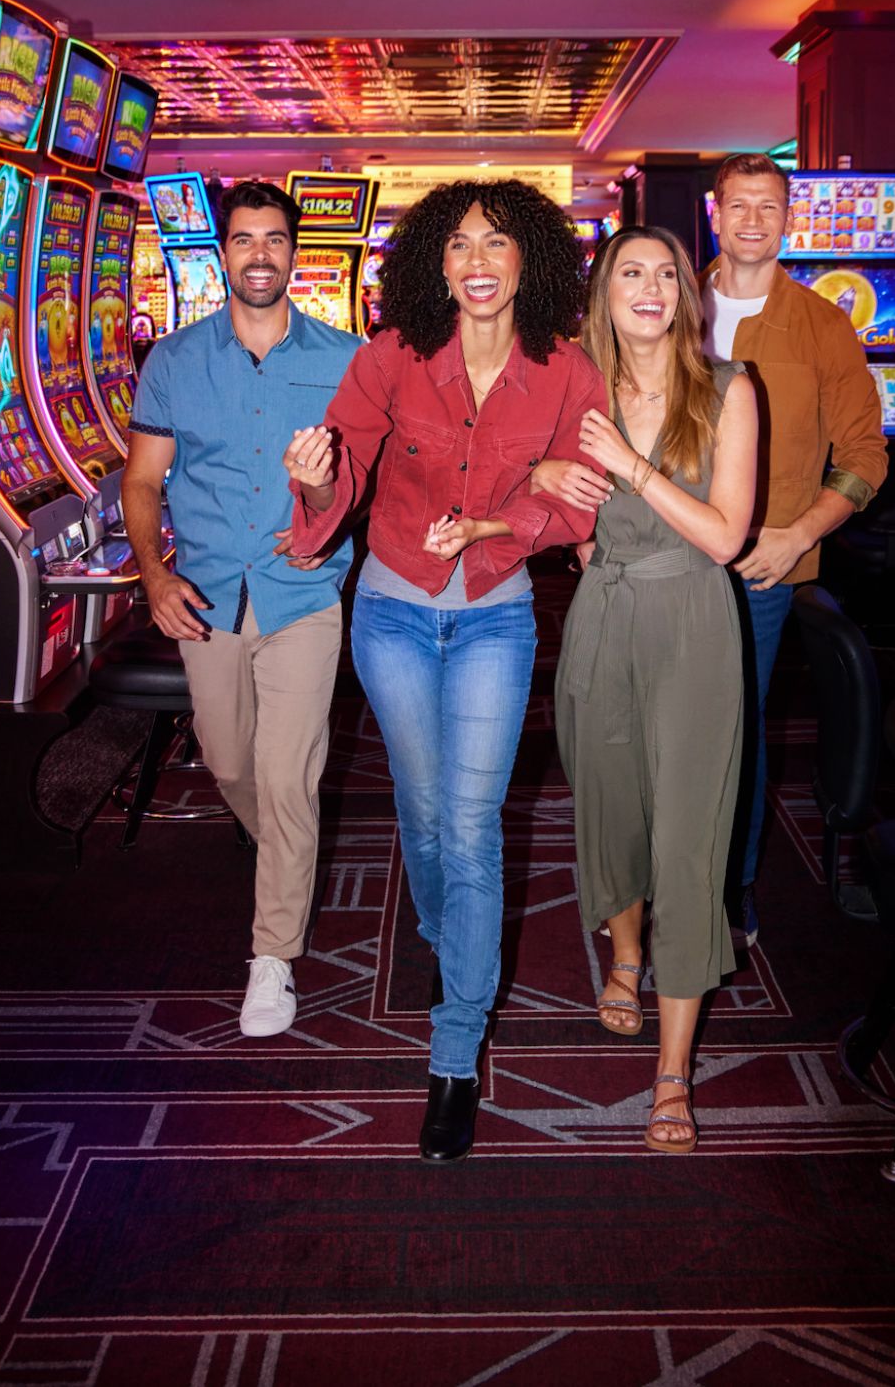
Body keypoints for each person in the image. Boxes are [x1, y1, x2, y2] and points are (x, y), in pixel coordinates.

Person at [283, 180, 607, 1164]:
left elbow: (584, 507)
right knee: (423, 815)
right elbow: (342, 471)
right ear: (433, 261)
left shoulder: (566, 372)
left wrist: (512, 517)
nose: (474, 259)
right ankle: (445, 933)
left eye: (495, 243)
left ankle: (454, 1052)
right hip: (388, 609)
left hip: (494, 618)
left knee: (470, 826)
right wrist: (310, 482)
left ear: (529, 263)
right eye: (457, 243)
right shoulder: (390, 358)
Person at [123, 180, 361, 1039]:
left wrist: (325, 485)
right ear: (223, 253)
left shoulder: (345, 356)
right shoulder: (175, 362)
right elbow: (143, 481)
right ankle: (288, 865)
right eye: (243, 240)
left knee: (290, 776)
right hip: (210, 593)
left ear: (297, 254)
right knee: (232, 767)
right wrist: (153, 575)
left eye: (274, 240)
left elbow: (361, 489)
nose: (260, 255)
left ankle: (272, 958)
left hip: (301, 591)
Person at [553, 227, 757, 1153]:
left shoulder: (728, 389)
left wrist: (631, 470)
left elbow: (725, 538)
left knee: (688, 839)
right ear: (604, 294)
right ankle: (625, 955)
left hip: (692, 628)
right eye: (629, 271)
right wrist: (543, 475)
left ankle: (673, 1073)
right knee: (611, 813)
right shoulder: (574, 387)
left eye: (665, 273)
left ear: (686, 292)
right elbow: (543, 499)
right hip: (602, 616)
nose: (649, 286)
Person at [702, 154, 888, 946]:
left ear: (789, 218)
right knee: (648, 730)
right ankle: (652, 883)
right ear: (715, 214)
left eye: (768, 207)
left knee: (733, 736)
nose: (752, 220)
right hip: (655, 564)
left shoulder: (821, 324)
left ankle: (727, 888)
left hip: (757, 569)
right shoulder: (658, 296)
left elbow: (865, 454)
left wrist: (801, 532)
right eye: (738, 205)